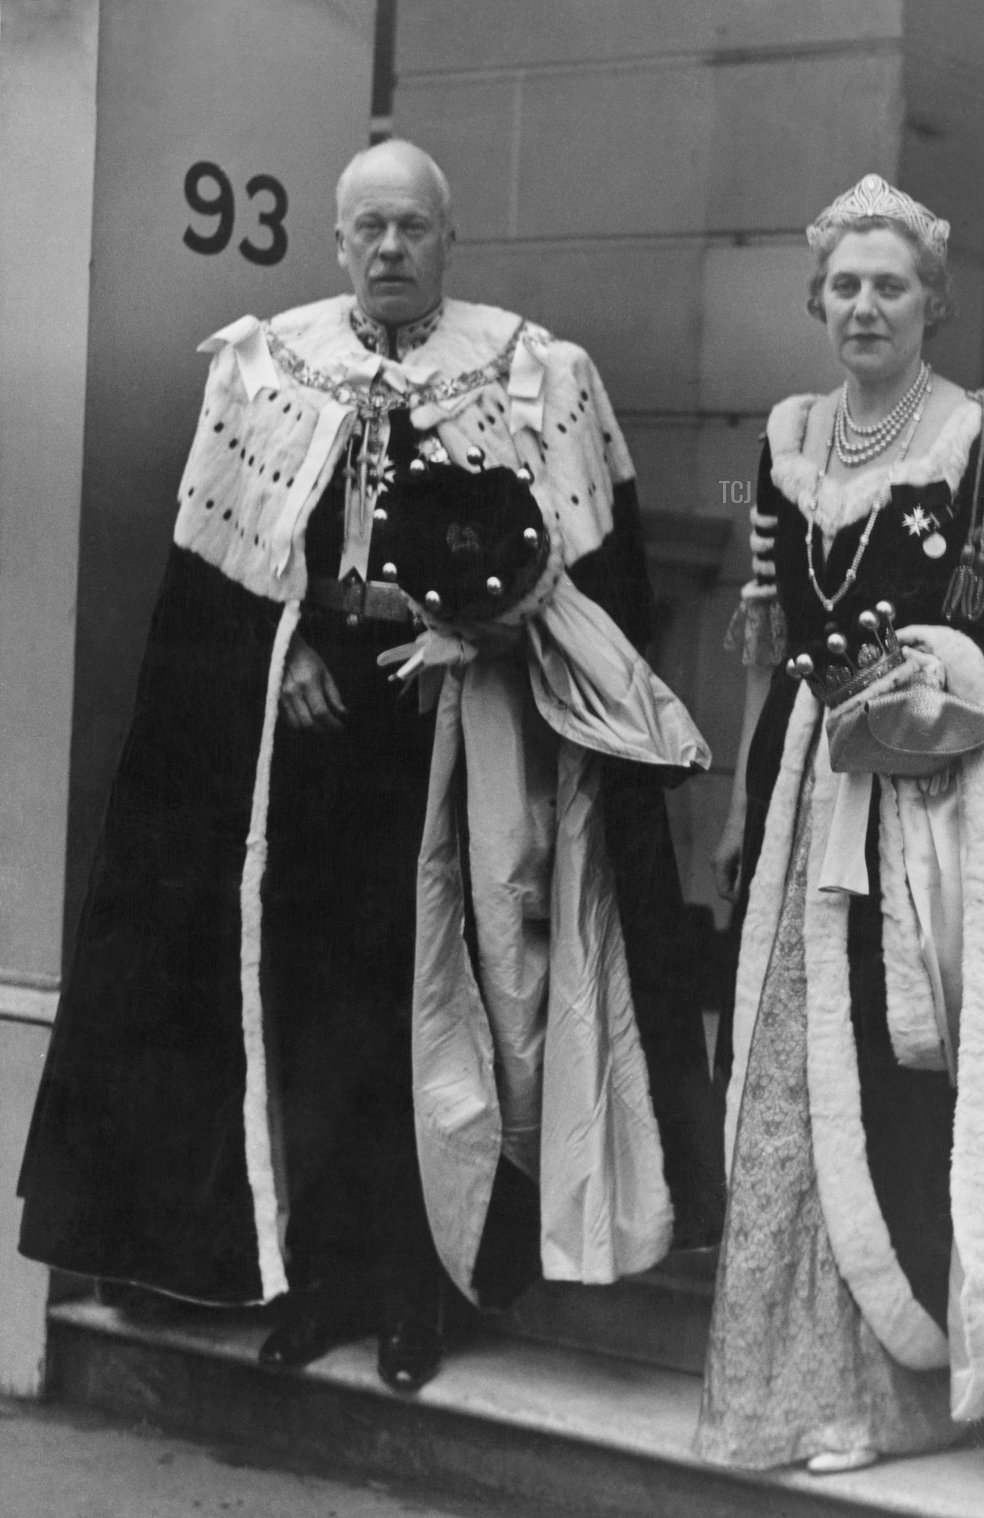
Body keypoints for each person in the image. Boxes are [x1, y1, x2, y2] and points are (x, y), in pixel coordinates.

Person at [18, 139, 723, 1394]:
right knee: (320, 1002)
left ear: (449, 240)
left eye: (413, 227)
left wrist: (487, 636)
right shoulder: (267, 369)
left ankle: (423, 1288)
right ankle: (326, 1276)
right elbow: (215, 597)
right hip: (317, 737)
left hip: (465, 730)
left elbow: (595, 590)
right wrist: (276, 659)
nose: (391, 249)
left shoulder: (530, 370)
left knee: (447, 1008)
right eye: (369, 230)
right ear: (339, 243)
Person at [696, 174, 984, 1473]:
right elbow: (771, 636)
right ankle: (805, 1378)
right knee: (792, 1077)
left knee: (906, 1083)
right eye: (843, 283)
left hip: (939, 821)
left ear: (934, 304)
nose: (863, 305)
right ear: (816, 300)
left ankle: (903, 1391)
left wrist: (940, 659)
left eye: (890, 283)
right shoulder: (787, 439)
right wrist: (745, 800)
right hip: (807, 799)